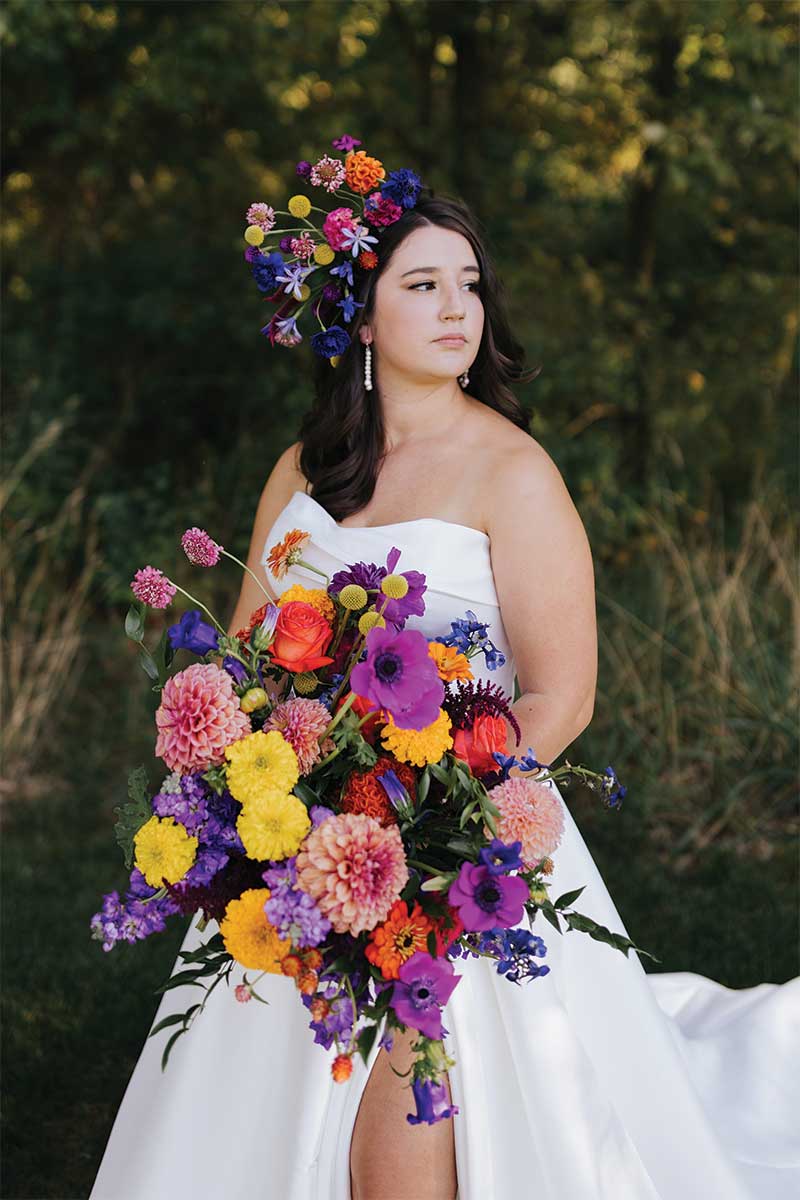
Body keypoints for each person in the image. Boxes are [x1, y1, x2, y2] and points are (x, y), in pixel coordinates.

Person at [90, 190, 799, 1200]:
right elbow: (245, 661)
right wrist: (272, 805)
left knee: (406, 1102)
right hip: (296, 844)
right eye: (422, 285)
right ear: (362, 317)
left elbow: (565, 691)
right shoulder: (304, 470)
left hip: (457, 846)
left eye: (467, 284)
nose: (456, 307)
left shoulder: (512, 472)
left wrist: (437, 827)